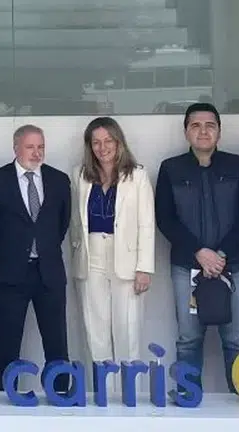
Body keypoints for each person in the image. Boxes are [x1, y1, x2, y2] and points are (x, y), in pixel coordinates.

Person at [156, 102, 239, 393]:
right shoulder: (171, 168)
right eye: (195, 125)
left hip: (233, 266)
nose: (203, 131)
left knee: (236, 340)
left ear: (219, 132)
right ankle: (189, 399)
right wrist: (199, 252)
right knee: (188, 340)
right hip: (187, 266)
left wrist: (221, 255)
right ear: (186, 132)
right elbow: (165, 218)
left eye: (210, 125)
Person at [0, 124, 72, 393]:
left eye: (41, 147)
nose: (37, 153)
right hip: (10, 273)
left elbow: (62, 224)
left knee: (57, 343)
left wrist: (42, 248)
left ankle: (60, 395)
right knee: (7, 343)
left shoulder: (59, 180)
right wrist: (12, 251)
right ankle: (5, 397)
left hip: (49, 273)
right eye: (30, 147)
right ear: (16, 148)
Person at [69, 117, 155, 377]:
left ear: (119, 143)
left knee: (127, 332)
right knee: (96, 334)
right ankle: (102, 396)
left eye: (108, 141)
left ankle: (130, 396)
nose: (102, 147)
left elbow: (146, 224)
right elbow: (75, 221)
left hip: (126, 259)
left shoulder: (137, 175)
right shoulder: (80, 175)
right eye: (96, 142)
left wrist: (144, 268)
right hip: (91, 257)